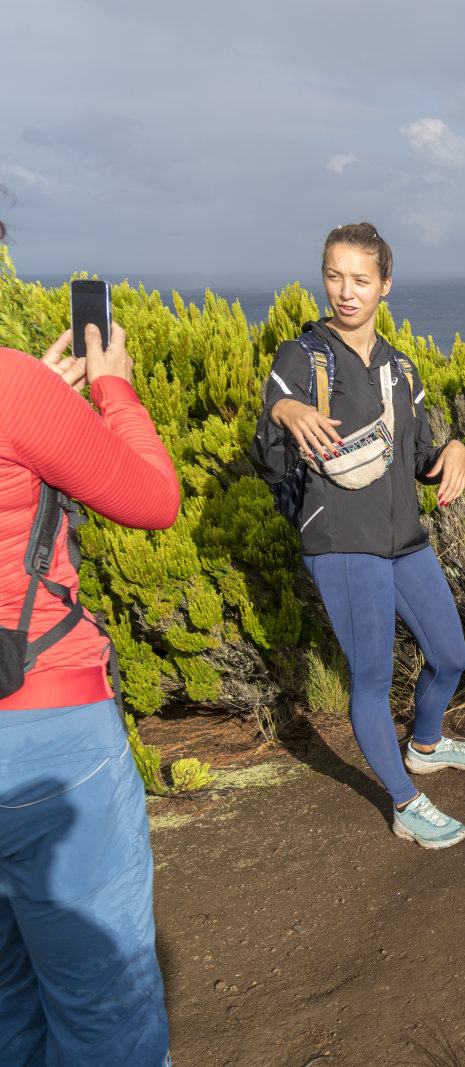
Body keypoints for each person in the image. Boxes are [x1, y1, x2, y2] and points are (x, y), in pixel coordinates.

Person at [250, 221, 465, 849]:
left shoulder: (400, 366)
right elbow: (266, 457)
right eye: (334, 276)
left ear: (386, 284)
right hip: (341, 542)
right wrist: (283, 410)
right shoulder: (301, 358)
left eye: (360, 279)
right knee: (372, 680)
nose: (345, 291)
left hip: (403, 539)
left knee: (451, 655)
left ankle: (425, 746)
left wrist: (454, 449)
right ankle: (405, 803)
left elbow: (415, 455)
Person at [0, 251, 182, 1062]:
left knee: (8, 1003)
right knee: (106, 1013)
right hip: (44, 729)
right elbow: (154, 498)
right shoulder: (11, 388)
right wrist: (113, 391)